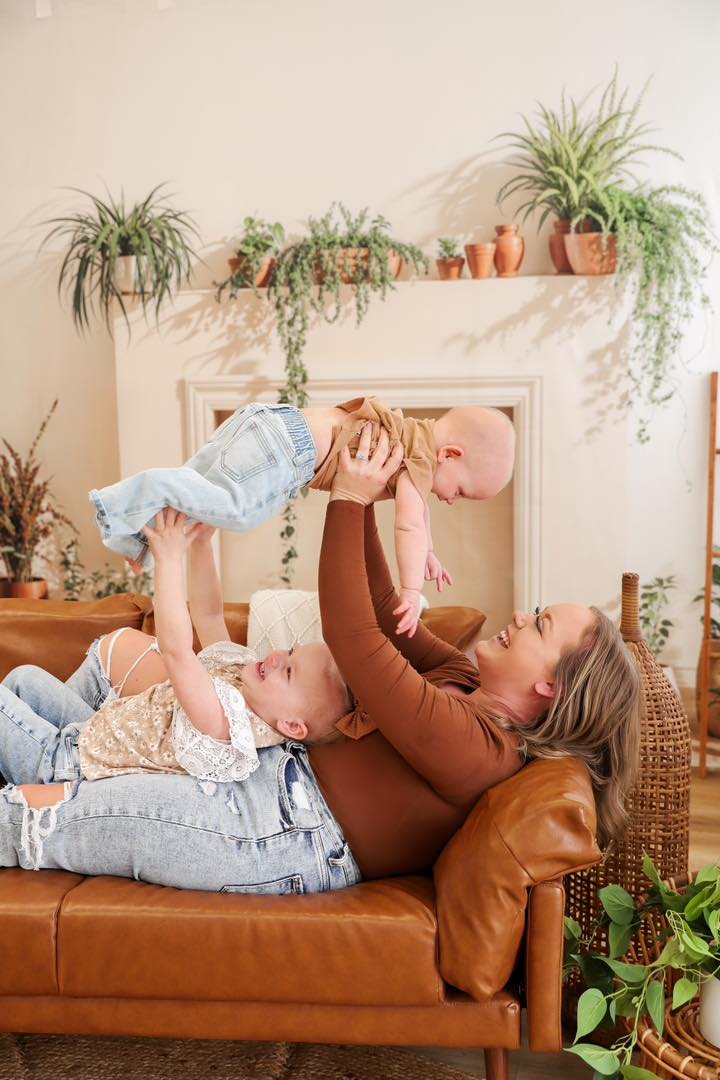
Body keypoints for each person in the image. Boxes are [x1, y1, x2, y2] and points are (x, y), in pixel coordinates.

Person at [0, 427, 639, 894]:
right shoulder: (464, 681)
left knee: (37, 819)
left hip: (274, 833)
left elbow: (358, 643)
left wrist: (349, 501)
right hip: (268, 775)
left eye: (541, 624)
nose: (523, 616)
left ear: (550, 686)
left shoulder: (481, 748)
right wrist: (357, 483)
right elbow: (384, 606)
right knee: (30, 709)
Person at [89, 397, 516, 636]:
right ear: (450, 455)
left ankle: (137, 535)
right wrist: (409, 588)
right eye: (461, 491)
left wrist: (429, 554)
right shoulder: (421, 458)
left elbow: (416, 519)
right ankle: (133, 494)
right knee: (236, 512)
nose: (452, 501)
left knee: (201, 501)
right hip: (286, 451)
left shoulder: (417, 443)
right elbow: (407, 522)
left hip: (270, 422)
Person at [0, 510, 349, 788]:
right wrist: (201, 546)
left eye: (288, 671)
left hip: (65, 765)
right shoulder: (241, 676)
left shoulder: (226, 726)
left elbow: (177, 651)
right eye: (288, 651)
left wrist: (169, 560)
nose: (276, 657)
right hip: (88, 733)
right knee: (24, 679)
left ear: (291, 725)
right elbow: (209, 614)